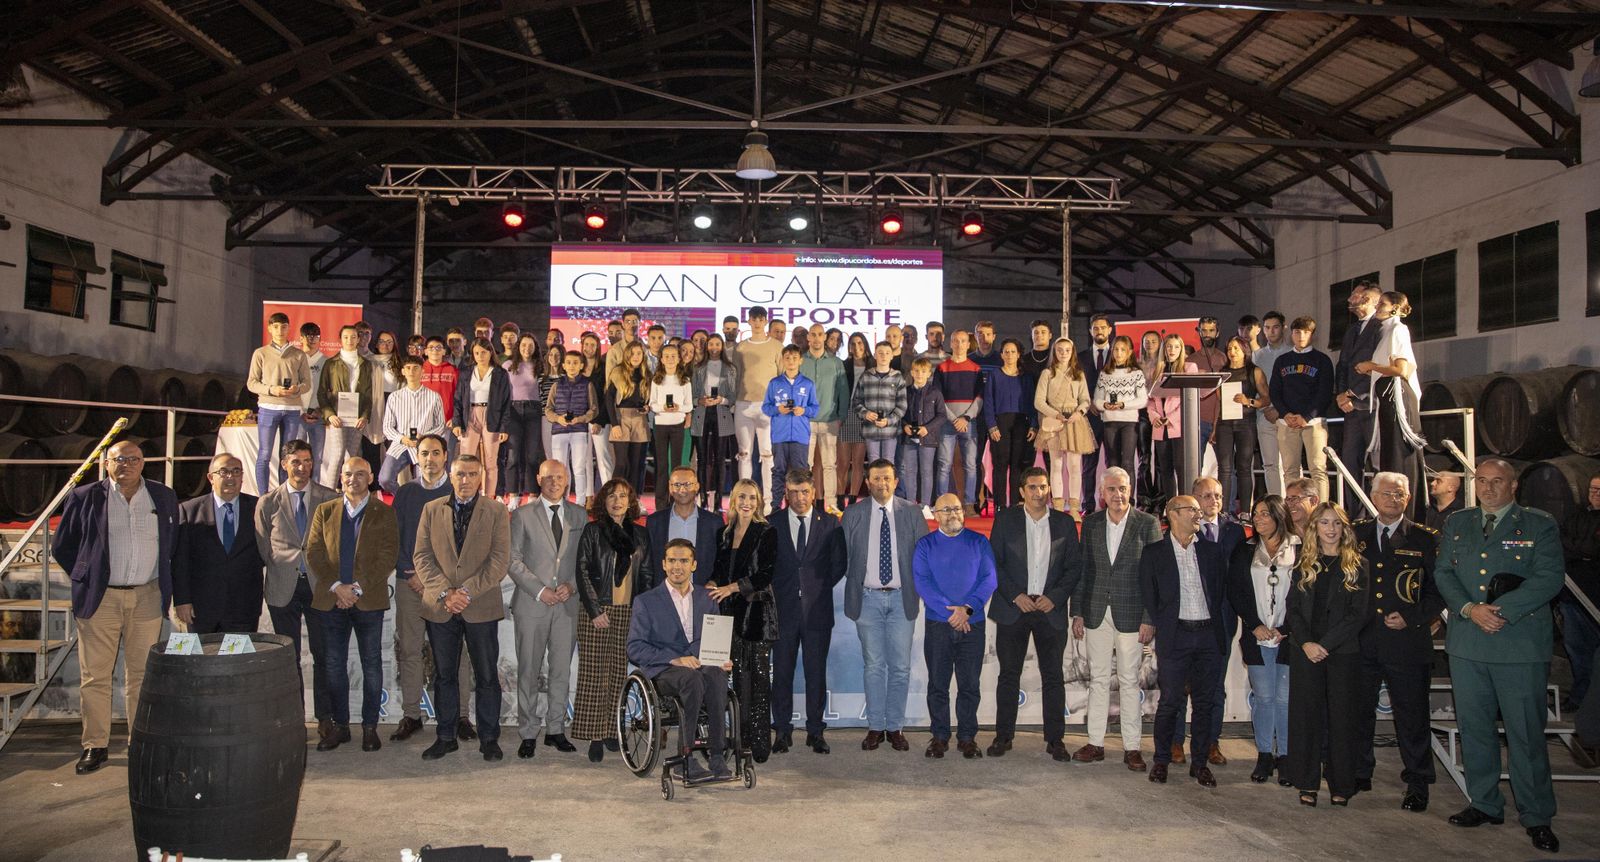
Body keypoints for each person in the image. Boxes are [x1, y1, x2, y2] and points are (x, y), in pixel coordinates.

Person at [1435, 458, 1563, 852]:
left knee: (1525, 735)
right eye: (1481, 481)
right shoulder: (1458, 523)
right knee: (1475, 730)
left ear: (1513, 487)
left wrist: (1501, 611)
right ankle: (1485, 803)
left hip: (1518, 644)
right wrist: (1469, 610)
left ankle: (1537, 814)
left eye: (1497, 482)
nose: (1487, 489)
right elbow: (1444, 573)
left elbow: (1549, 577)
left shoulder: (1538, 524)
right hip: (1469, 643)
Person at [54, 440, 179, 775]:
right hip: (101, 598)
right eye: (119, 459)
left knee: (140, 675)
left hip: (147, 596)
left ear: (144, 463)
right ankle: (95, 745)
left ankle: (138, 743)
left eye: (134, 459)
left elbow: (172, 542)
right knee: (95, 675)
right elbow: (63, 545)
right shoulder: (85, 497)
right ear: (105, 463)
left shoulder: (162, 496)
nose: (127, 464)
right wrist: (85, 576)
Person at [1353, 471, 1443, 811]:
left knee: (1412, 716)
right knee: (1360, 712)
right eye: (1387, 493)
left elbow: (1438, 591)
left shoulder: (1424, 539)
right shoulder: (1356, 534)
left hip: (1407, 642)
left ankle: (1418, 781)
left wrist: (1414, 616)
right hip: (1363, 641)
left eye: (1400, 493)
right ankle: (1360, 771)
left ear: (1408, 498)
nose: (1393, 498)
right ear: (1374, 498)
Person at [413, 455, 511, 762]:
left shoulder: (496, 511)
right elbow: (422, 556)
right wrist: (445, 592)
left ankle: (489, 738)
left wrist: (465, 592)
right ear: (450, 476)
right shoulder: (431, 510)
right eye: (460, 475)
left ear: (480, 478)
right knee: (444, 676)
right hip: (440, 606)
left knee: (486, 676)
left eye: (471, 474)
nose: (465, 480)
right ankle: (445, 736)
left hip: (479, 605)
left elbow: (499, 560)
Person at [1071, 466, 1163, 769]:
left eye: (1123, 488)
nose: (1118, 494)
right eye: (1111, 489)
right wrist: (1078, 612)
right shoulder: (1092, 523)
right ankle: (1095, 743)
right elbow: (1083, 570)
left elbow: (1154, 576)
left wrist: (1150, 617)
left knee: (1128, 680)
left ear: (1130, 490)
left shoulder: (1147, 523)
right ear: (1101, 493)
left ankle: (1132, 747)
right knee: (1097, 680)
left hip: (1133, 614)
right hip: (1097, 612)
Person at [304, 457, 398, 753]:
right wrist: (337, 587)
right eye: (347, 474)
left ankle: (370, 727)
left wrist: (356, 588)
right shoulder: (324, 510)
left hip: (367, 600)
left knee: (371, 665)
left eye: (360, 474)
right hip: (331, 600)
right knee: (333, 666)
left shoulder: (383, 513)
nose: (353, 479)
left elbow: (388, 555)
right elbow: (314, 551)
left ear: (371, 477)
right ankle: (340, 727)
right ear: (340, 477)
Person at [987, 467, 1081, 760]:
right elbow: (994, 563)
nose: (1039, 493)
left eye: (1043, 487)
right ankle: (1003, 737)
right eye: (1032, 487)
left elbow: (1074, 568)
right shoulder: (1005, 520)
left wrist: (1054, 598)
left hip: (1049, 610)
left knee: (1053, 676)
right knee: (1009, 676)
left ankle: (1056, 740)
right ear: (1021, 491)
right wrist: (1016, 596)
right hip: (1014, 609)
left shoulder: (1065, 523)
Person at [627, 538, 735, 781]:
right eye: (672, 560)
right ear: (664, 565)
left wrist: (719, 658)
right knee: (692, 679)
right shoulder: (646, 601)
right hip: (665, 670)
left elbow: (712, 639)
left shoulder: (708, 598)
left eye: (684, 561)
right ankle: (684, 757)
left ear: (693, 565)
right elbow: (634, 648)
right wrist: (675, 658)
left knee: (717, 675)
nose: (678, 566)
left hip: (699, 663)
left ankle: (717, 754)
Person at [1141, 494, 1229, 787]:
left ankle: (1200, 763)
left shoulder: (1212, 552)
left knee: (1204, 703)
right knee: (1170, 703)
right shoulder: (1154, 553)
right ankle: (1161, 760)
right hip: (1175, 636)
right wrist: (1163, 625)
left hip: (1207, 636)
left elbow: (1220, 593)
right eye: (1191, 509)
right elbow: (1150, 596)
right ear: (1172, 514)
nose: (1198, 513)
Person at [1286, 502, 1370, 806]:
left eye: (1336, 523)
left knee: (1341, 718)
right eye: (1324, 523)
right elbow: (1292, 609)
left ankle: (1341, 783)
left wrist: (1326, 645)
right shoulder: (1302, 561)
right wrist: (1308, 643)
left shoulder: (1358, 564)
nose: (1331, 529)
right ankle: (1306, 782)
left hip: (1342, 653)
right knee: (1307, 717)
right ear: (1314, 528)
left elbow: (1358, 615)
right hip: (1305, 652)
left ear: (1344, 528)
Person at [843, 459, 930, 752]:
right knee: (874, 666)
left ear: (896, 481)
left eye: (887, 478)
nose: (882, 484)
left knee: (901, 668)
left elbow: (923, 557)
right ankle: (875, 727)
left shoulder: (912, 512)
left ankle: (895, 727)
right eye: (876, 479)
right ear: (868, 482)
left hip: (901, 598)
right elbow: (845, 556)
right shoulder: (853, 514)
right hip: (867, 599)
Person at [507, 460, 588, 758]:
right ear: (538, 478)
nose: (554, 481)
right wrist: (541, 591)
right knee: (529, 669)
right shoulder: (521, 515)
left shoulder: (580, 515)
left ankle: (555, 729)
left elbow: (585, 560)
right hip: (532, 605)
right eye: (549, 477)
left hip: (567, 605)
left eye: (560, 476)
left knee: (561, 671)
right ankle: (528, 731)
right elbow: (512, 561)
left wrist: (571, 586)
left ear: (567, 480)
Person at [255, 439, 338, 729]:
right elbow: (263, 546)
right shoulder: (268, 502)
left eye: (306, 461)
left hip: (319, 587)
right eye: (295, 461)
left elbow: (336, 543)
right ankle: (292, 719)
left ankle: (325, 718)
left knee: (323, 655)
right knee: (287, 657)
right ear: (284, 464)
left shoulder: (330, 499)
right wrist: (284, 565)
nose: (301, 467)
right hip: (283, 587)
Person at [574, 478, 656, 762]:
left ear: (631, 502)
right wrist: (595, 610)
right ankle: (594, 736)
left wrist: (642, 614)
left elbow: (646, 577)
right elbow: (582, 571)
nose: (617, 501)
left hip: (628, 613)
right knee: (595, 675)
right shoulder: (593, 531)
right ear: (603, 502)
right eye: (611, 496)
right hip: (598, 612)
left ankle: (611, 730)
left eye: (623, 496)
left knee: (618, 674)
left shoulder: (641, 535)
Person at [769, 469, 846, 755]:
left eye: (804, 492)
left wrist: (815, 589)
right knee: (783, 674)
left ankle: (816, 731)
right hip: (783, 611)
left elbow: (838, 564)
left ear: (813, 492)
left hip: (817, 612)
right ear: (786, 495)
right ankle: (782, 731)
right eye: (794, 492)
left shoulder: (830, 523)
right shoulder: (772, 523)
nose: (800, 498)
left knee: (816, 673)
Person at [914, 493, 997, 759]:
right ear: (935, 515)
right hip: (939, 625)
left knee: (969, 684)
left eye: (957, 509)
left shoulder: (979, 542)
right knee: (938, 684)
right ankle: (939, 736)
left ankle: (967, 737)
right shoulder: (925, 545)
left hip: (973, 624)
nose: (953, 514)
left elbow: (989, 579)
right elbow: (923, 582)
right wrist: (951, 613)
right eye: (946, 509)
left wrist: (967, 609)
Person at [1226, 495, 1298, 785]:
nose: (1258, 519)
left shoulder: (1300, 548)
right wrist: (1254, 625)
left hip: (1289, 638)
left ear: (1279, 516)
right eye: (1255, 514)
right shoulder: (1245, 550)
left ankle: (1287, 757)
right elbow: (1235, 591)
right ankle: (1265, 754)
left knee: (1284, 699)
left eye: (1265, 514)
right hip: (1257, 637)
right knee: (1264, 697)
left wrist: (1288, 628)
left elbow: (1306, 594)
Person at [1174, 476, 1245, 766]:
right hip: (1185, 621)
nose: (1213, 501)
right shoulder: (1183, 530)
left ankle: (1211, 743)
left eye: (1217, 495)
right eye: (1206, 496)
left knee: (1214, 687)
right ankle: (1175, 742)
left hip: (1221, 623)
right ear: (1194, 499)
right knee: (1178, 685)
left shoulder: (1235, 533)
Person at [706, 479, 779, 761]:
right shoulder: (723, 534)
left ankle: (759, 745)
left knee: (758, 682)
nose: (746, 503)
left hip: (757, 616)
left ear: (758, 502)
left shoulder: (766, 532)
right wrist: (712, 584)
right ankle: (739, 740)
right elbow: (718, 570)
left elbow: (765, 576)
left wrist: (732, 587)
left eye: (751, 498)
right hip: (728, 617)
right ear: (733, 501)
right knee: (736, 681)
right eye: (741, 497)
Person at [172, 453, 260, 634]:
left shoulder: (258, 508)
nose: (230, 477)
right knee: (202, 660)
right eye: (223, 471)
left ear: (242, 477)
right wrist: (182, 601)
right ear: (211, 477)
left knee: (238, 661)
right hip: (200, 609)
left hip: (243, 607)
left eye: (236, 471)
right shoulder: (189, 510)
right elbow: (180, 562)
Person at [1356, 292, 1426, 512]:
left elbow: (1401, 369)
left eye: (1382, 304)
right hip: (1387, 398)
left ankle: (1406, 512)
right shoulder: (1387, 331)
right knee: (1391, 454)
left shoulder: (1398, 330)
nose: (1377, 307)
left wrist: (1371, 366)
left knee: (1398, 455)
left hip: (1397, 396)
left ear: (1395, 307)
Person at [1270, 317, 1335, 502]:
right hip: (1286, 422)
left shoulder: (1322, 360)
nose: (1301, 336)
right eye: (1297, 331)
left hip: (1313, 423)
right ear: (1291, 334)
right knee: (1290, 470)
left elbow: (1325, 393)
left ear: (1312, 334)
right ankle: (1293, 510)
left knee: (1318, 469)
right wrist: (1285, 413)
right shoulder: (1282, 361)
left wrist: (1306, 416)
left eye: (1306, 332)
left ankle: (1321, 510)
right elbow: (1275, 391)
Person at [247, 311, 310, 495]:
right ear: (269, 328)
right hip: (268, 408)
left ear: (289, 328)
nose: (280, 330)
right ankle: (263, 495)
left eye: (283, 326)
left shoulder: (299, 354)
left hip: (292, 409)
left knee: (288, 455)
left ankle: (285, 493)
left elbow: (307, 383)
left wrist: (297, 389)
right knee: (265, 454)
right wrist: (271, 390)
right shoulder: (260, 353)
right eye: (276, 326)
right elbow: (251, 382)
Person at [1035, 336, 1095, 516]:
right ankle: (1059, 507)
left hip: (1074, 422)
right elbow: (1038, 401)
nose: (1063, 353)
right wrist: (1055, 414)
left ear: (1072, 352)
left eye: (1067, 350)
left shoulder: (1078, 374)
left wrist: (1080, 412)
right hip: (1055, 422)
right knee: (1056, 464)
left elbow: (1085, 399)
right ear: (1054, 352)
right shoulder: (1047, 374)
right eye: (1060, 350)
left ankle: (1075, 508)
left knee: (1075, 466)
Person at [1334, 282, 1384, 499]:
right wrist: (1341, 393)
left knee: (1378, 463)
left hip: (1372, 404)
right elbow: (1343, 364)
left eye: (1354, 295)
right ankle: (1354, 515)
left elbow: (1378, 365)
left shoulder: (1382, 327)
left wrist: (1355, 394)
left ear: (1369, 299)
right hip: (1350, 408)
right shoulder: (1351, 330)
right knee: (1350, 463)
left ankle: (1381, 515)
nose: (1349, 300)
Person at [733, 307, 783, 509]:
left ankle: (769, 503)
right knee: (744, 454)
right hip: (743, 404)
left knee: (767, 454)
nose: (757, 322)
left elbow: (781, 377)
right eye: (753, 319)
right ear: (749, 321)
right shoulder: (740, 347)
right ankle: (742, 500)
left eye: (760, 319)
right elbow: (735, 375)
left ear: (765, 321)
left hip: (767, 406)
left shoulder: (777, 346)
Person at [1559, 472, 1600, 714]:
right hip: (1574, 596)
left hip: (1596, 595)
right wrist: (1585, 552)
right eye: (1593, 489)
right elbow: (1562, 546)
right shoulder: (1576, 517)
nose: (1595, 494)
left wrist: (1582, 552)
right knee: (1578, 650)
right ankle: (1581, 697)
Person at [317, 324, 376, 488]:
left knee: (353, 458)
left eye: (353, 337)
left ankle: (348, 494)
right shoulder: (331, 363)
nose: (349, 340)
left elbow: (368, 395)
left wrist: (365, 416)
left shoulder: (366, 364)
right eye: (346, 337)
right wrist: (330, 415)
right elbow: (322, 393)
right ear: (340, 339)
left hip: (357, 418)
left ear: (358, 339)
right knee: (337, 454)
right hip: (337, 417)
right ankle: (328, 495)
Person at [645, 466, 724, 589]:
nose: (682, 489)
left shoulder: (714, 523)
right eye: (677, 485)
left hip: (701, 596)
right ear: (670, 487)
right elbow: (648, 563)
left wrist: (714, 582)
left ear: (697, 486)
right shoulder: (655, 522)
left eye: (687, 484)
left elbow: (721, 560)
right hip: (664, 598)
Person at [762, 345, 819, 511]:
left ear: (800, 360)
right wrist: (777, 410)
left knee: (801, 472)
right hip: (779, 436)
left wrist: (804, 411)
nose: (791, 361)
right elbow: (766, 407)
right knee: (778, 470)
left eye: (794, 358)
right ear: (782, 360)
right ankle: (775, 506)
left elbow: (815, 408)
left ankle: (801, 505)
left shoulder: (808, 384)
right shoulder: (775, 383)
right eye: (787, 358)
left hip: (800, 436)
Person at [379, 355, 447, 496]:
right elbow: (387, 427)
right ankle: (404, 498)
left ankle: (424, 504)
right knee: (384, 479)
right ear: (403, 371)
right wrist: (402, 439)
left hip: (424, 446)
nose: (412, 371)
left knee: (427, 482)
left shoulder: (434, 397)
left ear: (423, 371)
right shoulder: (394, 397)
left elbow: (440, 425)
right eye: (408, 368)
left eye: (416, 368)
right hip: (401, 444)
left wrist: (425, 438)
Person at [453, 337, 512, 500]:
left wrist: (504, 427)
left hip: (492, 416)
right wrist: (457, 422)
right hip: (470, 415)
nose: (480, 356)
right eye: (477, 352)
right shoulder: (466, 372)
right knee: (466, 459)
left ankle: (489, 497)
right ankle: (466, 495)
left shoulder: (500, 373)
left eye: (484, 352)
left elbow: (507, 402)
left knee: (491, 461)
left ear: (490, 352)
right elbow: (458, 398)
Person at [982, 338, 1037, 512]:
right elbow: (988, 401)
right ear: (1001, 355)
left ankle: (1014, 504)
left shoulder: (1026, 377)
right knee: (1000, 464)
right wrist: (992, 426)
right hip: (1000, 424)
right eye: (1006, 351)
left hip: (1022, 423)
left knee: (1017, 465)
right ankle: (999, 504)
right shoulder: (994, 375)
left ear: (1019, 354)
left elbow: (1032, 402)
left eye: (1013, 351)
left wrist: (1034, 425)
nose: (1009, 355)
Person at [1213, 336, 1265, 518]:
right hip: (1225, 423)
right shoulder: (1222, 372)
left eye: (1236, 348)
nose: (1232, 352)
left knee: (1244, 467)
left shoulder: (1254, 371)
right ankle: (1223, 511)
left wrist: (1248, 401)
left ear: (1244, 350)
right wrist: (1214, 428)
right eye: (1229, 349)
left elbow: (1266, 399)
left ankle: (1245, 511)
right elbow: (1218, 403)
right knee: (1224, 468)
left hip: (1246, 423)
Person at [935, 330, 985, 515]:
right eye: (955, 340)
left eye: (963, 341)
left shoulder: (975, 368)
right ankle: (941, 505)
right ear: (950, 343)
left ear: (968, 344)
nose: (959, 344)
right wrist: (954, 419)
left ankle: (969, 504)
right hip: (948, 423)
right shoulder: (941, 368)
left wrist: (966, 417)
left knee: (971, 465)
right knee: (944, 465)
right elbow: (938, 397)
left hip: (968, 423)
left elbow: (980, 397)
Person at [1094, 335, 1149, 503]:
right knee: (1112, 462)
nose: (1118, 353)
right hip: (1110, 422)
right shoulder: (1105, 373)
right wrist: (1106, 405)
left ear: (1129, 352)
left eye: (1122, 350)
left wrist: (1122, 404)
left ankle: (1128, 500)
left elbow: (1143, 399)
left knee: (1127, 462)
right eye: (1116, 349)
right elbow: (1097, 400)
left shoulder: (1136, 373)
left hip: (1129, 422)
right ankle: (1111, 499)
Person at [801, 324, 849, 513]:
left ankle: (831, 504)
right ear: (808, 338)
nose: (816, 338)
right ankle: (806, 503)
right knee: (807, 466)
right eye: (813, 334)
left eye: (820, 335)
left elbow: (843, 391)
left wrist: (842, 415)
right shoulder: (800, 361)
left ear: (824, 337)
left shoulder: (836, 363)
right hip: (805, 421)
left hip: (830, 420)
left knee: (830, 464)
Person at [1147, 334, 1199, 501]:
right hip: (1160, 427)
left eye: (1176, 346)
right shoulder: (1157, 370)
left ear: (1181, 349)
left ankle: (1185, 503)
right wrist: (1154, 416)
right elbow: (1151, 399)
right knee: (1165, 469)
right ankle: (1171, 505)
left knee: (1181, 467)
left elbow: (1189, 399)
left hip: (1179, 426)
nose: (1172, 350)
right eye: (1169, 346)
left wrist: (1171, 417)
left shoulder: (1189, 368)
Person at [545, 350, 599, 506]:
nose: (572, 366)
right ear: (563, 365)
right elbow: (548, 409)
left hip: (579, 431)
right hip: (559, 431)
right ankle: (561, 501)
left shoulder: (587, 384)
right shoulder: (556, 385)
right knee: (560, 469)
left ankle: (581, 503)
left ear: (581, 365)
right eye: (568, 362)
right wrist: (558, 418)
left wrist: (580, 419)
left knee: (579, 468)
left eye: (575, 363)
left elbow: (594, 409)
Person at [692, 335, 738, 512]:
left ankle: (718, 502)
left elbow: (733, 395)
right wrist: (700, 401)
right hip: (702, 414)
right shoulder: (698, 368)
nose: (714, 347)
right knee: (702, 459)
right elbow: (693, 394)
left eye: (717, 344)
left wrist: (722, 399)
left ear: (722, 346)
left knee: (719, 459)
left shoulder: (730, 369)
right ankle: (703, 500)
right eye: (711, 344)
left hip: (722, 414)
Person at [648, 343, 694, 510]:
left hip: (678, 426)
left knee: (676, 466)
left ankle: (676, 503)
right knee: (661, 466)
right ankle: (660, 504)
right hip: (660, 425)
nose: (670, 359)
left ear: (679, 358)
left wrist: (678, 408)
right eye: (666, 356)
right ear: (661, 359)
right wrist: (663, 408)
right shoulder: (656, 380)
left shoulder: (685, 381)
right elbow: (652, 404)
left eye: (673, 356)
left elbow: (689, 406)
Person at [502, 333, 546, 502]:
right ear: (518, 347)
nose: (527, 349)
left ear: (535, 348)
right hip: (513, 410)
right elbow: (503, 393)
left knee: (532, 455)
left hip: (533, 411)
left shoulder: (540, 366)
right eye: (523, 345)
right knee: (512, 456)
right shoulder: (507, 365)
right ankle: (513, 495)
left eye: (530, 346)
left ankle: (533, 495)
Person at [898, 357, 944, 514]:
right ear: (911, 372)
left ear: (929, 373)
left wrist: (927, 428)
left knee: (926, 471)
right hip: (909, 438)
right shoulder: (905, 392)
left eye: (923, 371)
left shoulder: (935, 393)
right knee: (909, 470)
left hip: (928, 439)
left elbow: (941, 415)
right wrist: (905, 426)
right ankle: (911, 504)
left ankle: (925, 505)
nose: (919, 374)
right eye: (916, 371)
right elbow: (900, 413)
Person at [854, 340, 908, 473]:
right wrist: (865, 413)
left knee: (889, 463)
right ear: (875, 355)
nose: (884, 356)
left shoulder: (898, 378)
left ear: (892, 356)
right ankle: (875, 493)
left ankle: (888, 493)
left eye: (887, 353)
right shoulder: (866, 376)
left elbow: (902, 406)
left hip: (890, 430)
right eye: (880, 353)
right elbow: (856, 401)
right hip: (870, 429)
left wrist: (888, 420)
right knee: (873, 463)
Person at [1078, 315, 1114, 510]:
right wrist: (1088, 402)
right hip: (1088, 417)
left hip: (1112, 417)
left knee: (1112, 463)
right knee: (1088, 465)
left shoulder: (1118, 355)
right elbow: (1075, 384)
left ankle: (1111, 505)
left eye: (1103, 327)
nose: (1099, 331)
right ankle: (1088, 505)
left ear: (1110, 330)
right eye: (1095, 328)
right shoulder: (1080, 357)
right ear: (1090, 331)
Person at [1253, 312, 1291, 497]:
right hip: (1263, 415)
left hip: (1288, 415)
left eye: (1275, 327)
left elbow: (1295, 388)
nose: (1271, 331)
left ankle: (1294, 503)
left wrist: (1279, 410)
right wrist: (1264, 407)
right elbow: (1253, 387)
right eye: (1267, 327)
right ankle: (1277, 503)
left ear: (1283, 327)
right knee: (1269, 464)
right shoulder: (1256, 356)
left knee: (1290, 464)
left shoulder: (1293, 353)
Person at [837, 332, 872, 508]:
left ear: (865, 344)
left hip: (865, 415)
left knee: (858, 461)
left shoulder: (872, 365)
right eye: (853, 344)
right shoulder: (844, 365)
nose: (856, 347)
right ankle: (839, 497)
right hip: (846, 413)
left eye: (860, 343)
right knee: (842, 461)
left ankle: (852, 498)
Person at [296, 322, 328, 480]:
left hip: (318, 415)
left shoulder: (326, 361)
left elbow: (331, 390)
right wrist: (301, 412)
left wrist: (321, 410)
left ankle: (314, 492)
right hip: (297, 414)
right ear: (301, 338)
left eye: (316, 336)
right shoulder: (295, 359)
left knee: (317, 458)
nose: (312, 339)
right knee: (296, 457)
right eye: (308, 336)